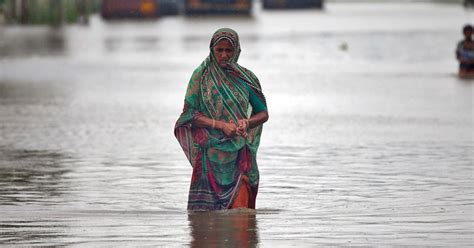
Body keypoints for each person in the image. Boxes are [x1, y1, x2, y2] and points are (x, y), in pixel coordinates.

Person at [175, 28, 269, 211]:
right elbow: (188, 115)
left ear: (237, 51)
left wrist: (247, 123)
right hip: (210, 157)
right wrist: (220, 125)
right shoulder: (200, 77)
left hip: (240, 155)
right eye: (219, 50)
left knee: (242, 219)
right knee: (205, 228)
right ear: (212, 50)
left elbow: (263, 113)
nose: (224, 55)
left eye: (229, 50)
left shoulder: (246, 79)